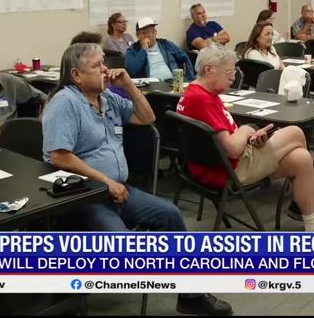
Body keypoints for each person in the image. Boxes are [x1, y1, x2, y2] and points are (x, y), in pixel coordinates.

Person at [42, 43, 232, 316]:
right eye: (96, 66)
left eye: (104, 63)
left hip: (120, 191)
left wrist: (129, 84)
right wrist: (106, 182)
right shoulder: (65, 102)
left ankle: (190, 294)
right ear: (76, 75)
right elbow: (59, 156)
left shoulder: (107, 98)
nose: (105, 70)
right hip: (85, 195)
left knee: (171, 215)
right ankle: (69, 293)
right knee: (120, 244)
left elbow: (148, 116)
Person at [177, 46, 314, 229]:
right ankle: (302, 209)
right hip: (230, 169)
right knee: (295, 132)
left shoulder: (194, 93)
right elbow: (233, 149)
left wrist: (248, 135)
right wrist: (247, 130)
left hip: (216, 165)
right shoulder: (203, 99)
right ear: (209, 69)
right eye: (228, 71)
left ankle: (312, 226)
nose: (233, 77)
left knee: (301, 158)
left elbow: (224, 138)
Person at [126, 17, 195, 81]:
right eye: (145, 33)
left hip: (172, 83)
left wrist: (190, 79)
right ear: (137, 35)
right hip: (149, 87)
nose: (150, 35)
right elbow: (133, 71)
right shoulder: (132, 50)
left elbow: (185, 57)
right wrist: (143, 50)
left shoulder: (165, 44)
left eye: (153, 31)